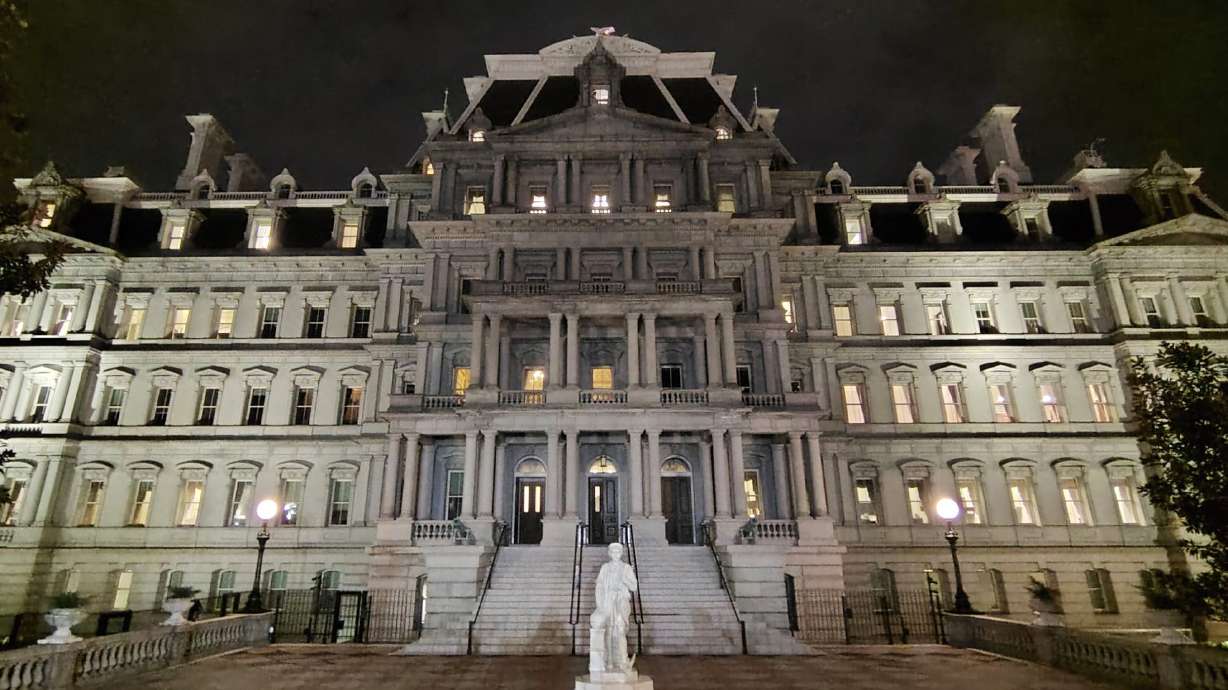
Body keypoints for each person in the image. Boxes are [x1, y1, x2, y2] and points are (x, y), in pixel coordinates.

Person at [589, 542, 638, 677]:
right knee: (609, 631)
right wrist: (600, 604)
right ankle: (609, 661)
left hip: (621, 602)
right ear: (609, 553)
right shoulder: (605, 567)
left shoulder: (626, 568)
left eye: (618, 551)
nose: (615, 554)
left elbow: (634, 586)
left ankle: (622, 661)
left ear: (621, 553)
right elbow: (599, 584)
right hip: (608, 602)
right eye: (613, 551)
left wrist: (624, 581)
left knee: (620, 631)